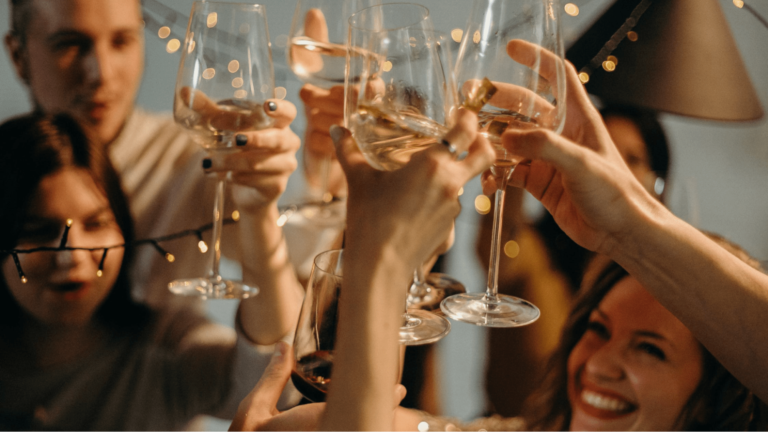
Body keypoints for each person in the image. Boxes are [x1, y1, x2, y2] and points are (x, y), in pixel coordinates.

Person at [0, 112, 302, 431]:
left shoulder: (163, 346)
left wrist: (258, 212)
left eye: (96, 223)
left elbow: (272, 385)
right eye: (39, 230)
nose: (71, 257)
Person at [4, 0, 303, 309]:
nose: (101, 74)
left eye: (122, 41)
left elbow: (293, 275)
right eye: (70, 44)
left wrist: (293, 186)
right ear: (18, 55)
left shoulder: (195, 159)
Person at [482, 103, 672, 417]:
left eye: (633, 159)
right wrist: (511, 160)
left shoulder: (657, 287)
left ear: (658, 185)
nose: (612, 169)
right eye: (597, 153)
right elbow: (499, 248)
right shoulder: (534, 252)